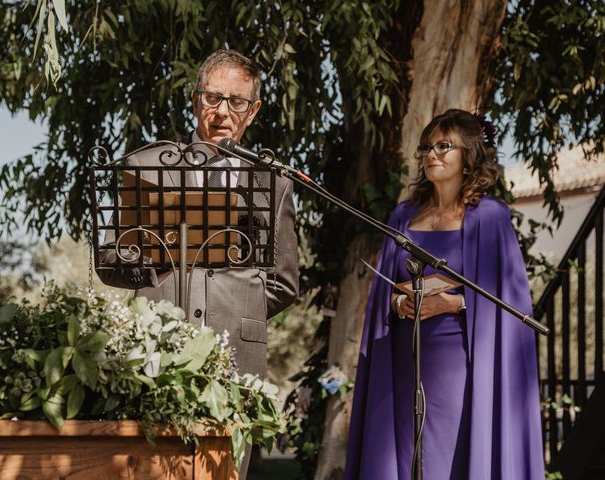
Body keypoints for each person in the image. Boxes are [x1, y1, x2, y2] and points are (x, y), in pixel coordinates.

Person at [97, 50, 299, 479]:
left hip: (237, 359)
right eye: (213, 98)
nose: (223, 112)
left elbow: (284, 282)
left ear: (253, 110)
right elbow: (111, 260)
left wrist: (237, 303)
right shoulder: (147, 166)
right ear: (194, 101)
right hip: (152, 355)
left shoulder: (274, 180)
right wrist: (154, 269)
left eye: (237, 102)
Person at [345, 109, 545, 479]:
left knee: (450, 456)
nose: (432, 154)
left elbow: (513, 301)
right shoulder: (404, 215)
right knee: (405, 455)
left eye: (443, 146)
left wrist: (455, 303)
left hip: (461, 366)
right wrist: (399, 302)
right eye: (427, 147)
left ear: (468, 155)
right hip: (405, 360)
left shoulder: (489, 216)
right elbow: (383, 292)